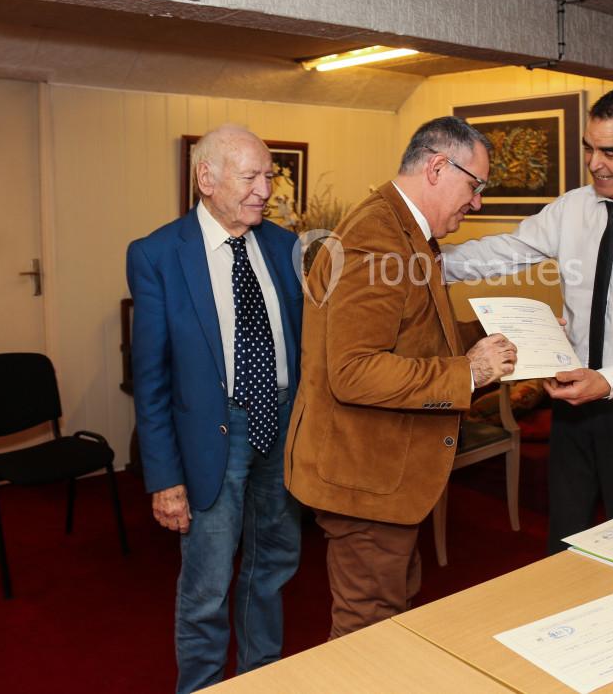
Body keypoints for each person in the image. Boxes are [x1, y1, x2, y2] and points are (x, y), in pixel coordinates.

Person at [442, 88, 613, 553]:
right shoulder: (573, 208)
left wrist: (608, 381)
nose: (594, 163)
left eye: (610, 151)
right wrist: (428, 263)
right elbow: (508, 250)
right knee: (565, 538)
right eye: (589, 148)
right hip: (572, 401)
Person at [285, 116, 517, 638]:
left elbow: (418, 335)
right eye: (475, 186)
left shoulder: (405, 228)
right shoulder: (376, 237)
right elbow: (354, 372)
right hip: (363, 475)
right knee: (368, 631)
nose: (477, 202)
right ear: (437, 167)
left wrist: (503, 333)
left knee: (391, 613)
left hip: (386, 473)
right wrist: (470, 371)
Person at [127, 126, 304, 693]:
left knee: (272, 568)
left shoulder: (285, 246)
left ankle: (260, 679)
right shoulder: (158, 254)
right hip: (212, 437)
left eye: (269, 176)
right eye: (251, 177)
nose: (265, 190)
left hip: (281, 426)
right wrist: (165, 479)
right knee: (207, 585)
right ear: (207, 178)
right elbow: (151, 378)